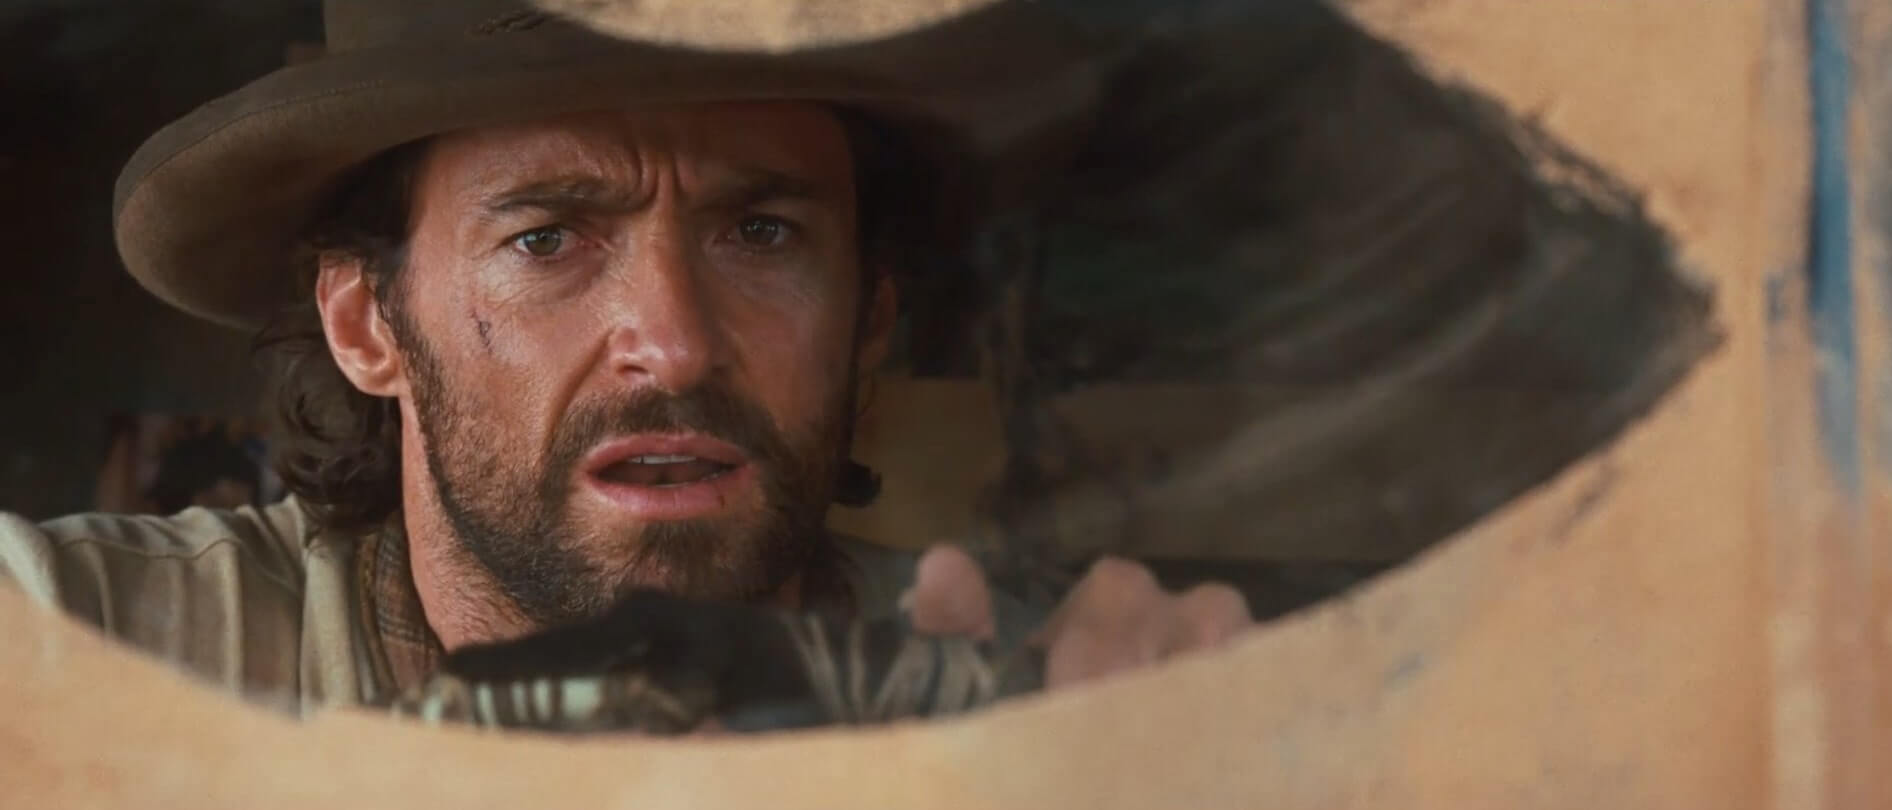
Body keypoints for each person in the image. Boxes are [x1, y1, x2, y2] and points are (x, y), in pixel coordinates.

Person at [0, 0, 1250, 722]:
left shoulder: (1040, 705)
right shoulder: (79, 646)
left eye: (762, 234)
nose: (676, 344)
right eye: (547, 238)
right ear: (367, 327)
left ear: (870, 318)